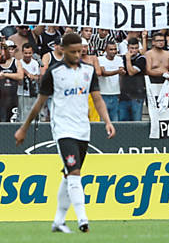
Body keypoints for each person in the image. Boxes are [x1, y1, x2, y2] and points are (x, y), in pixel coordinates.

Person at [15, 32, 116, 234]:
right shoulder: (54, 72)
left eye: (80, 51)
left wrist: (107, 121)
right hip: (62, 128)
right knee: (75, 173)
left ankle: (58, 221)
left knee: (69, 173)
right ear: (63, 50)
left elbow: (97, 98)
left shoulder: (88, 70)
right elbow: (39, 103)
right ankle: (82, 219)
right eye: (73, 51)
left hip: (83, 128)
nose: (77, 55)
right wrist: (24, 127)